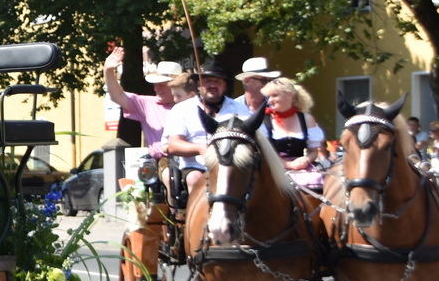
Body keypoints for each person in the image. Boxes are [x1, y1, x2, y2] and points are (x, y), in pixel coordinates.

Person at [161, 61, 249, 203]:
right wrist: (201, 149)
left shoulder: (240, 109)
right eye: (207, 81)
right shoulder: (181, 109)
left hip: (232, 168)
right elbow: (173, 144)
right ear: (198, 85)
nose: (212, 85)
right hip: (196, 168)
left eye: (217, 81)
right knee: (195, 179)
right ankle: (200, 222)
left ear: (225, 85)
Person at [102, 47, 181, 156]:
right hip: (163, 161)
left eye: (162, 85)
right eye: (155, 85)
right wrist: (108, 71)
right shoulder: (146, 104)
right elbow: (117, 96)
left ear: (176, 86)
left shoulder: (192, 105)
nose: (157, 88)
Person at [260, 78, 326, 190]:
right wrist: (287, 164)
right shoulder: (264, 120)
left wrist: (306, 159)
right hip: (274, 167)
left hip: (302, 169)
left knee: (317, 181)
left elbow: (313, 152)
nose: (270, 100)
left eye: (275, 95)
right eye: (268, 97)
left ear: (290, 95)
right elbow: (264, 152)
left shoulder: (306, 119)